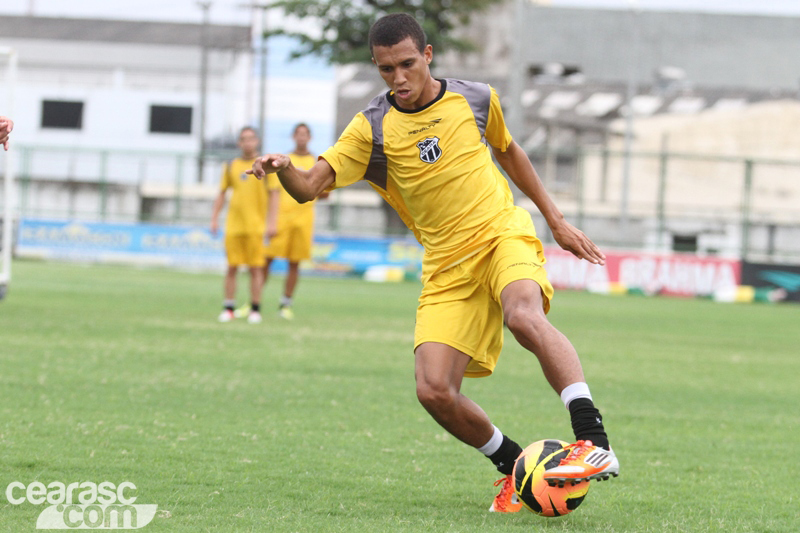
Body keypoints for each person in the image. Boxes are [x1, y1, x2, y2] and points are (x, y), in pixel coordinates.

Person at [248, 13, 619, 512]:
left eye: (407, 64)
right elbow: (309, 187)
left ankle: (593, 440)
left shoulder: (476, 98)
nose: (398, 78)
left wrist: (555, 219)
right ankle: (517, 467)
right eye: (386, 69)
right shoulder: (371, 128)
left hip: (500, 234)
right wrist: (283, 169)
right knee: (434, 390)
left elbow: (509, 152)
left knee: (523, 315)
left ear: (427, 55)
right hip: (446, 265)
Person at [210, 126, 279, 324]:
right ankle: (228, 308)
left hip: (256, 226)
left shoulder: (265, 165)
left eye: (251, 138)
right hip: (234, 225)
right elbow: (222, 192)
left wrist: (272, 223)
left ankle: (255, 309)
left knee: (256, 268)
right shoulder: (231, 165)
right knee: (232, 267)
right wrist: (214, 218)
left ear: (257, 141)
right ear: (239, 143)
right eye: (243, 139)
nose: (247, 142)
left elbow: (274, 194)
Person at [261, 123, 324, 320]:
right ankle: (255, 302)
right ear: (293, 137)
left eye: (305, 134)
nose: (302, 137)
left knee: (294, 264)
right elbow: (274, 191)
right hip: (282, 219)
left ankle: (285, 304)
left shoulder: (316, 161)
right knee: (267, 260)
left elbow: (324, 192)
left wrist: (322, 188)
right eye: (299, 134)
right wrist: (271, 222)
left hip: (304, 220)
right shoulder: (283, 160)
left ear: (310, 138)